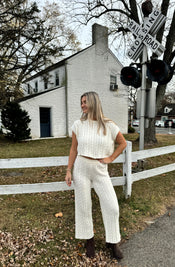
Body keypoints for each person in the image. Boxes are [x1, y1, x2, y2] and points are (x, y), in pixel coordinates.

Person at [65, 91, 127, 259]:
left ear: (94, 102)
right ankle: (89, 240)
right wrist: (69, 170)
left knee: (112, 207)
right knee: (84, 206)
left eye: (85, 102)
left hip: (100, 170)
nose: (82, 105)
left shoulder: (109, 125)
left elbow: (123, 143)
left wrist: (111, 158)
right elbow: (73, 149)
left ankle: (112, 241)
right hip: (81, 168)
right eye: (81, 102)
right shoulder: (78, 125)